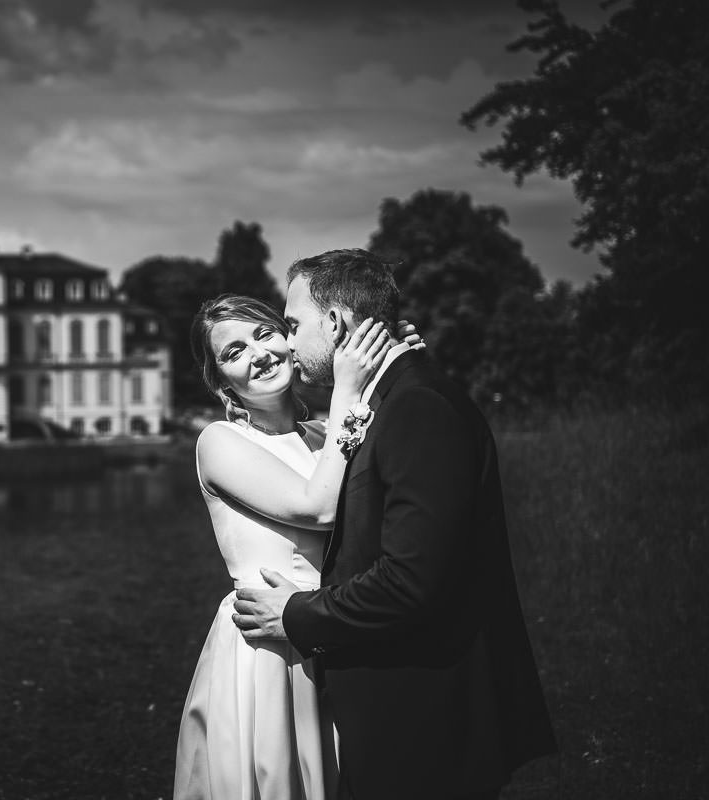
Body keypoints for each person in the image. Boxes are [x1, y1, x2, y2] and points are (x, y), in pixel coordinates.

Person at [232, 249, 557, 800]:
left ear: (335, 324)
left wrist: (297, 614)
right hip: (403, 709)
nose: (285, 343)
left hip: (427, 714)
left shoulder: (415, 407)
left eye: (292, 326)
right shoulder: (388, 401)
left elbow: (411, 580)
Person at [174, 293, 419, 800]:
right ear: (222, 382)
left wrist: (388, 370)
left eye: (265, 333)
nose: (258, 354)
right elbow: (319, 508)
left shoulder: (326, 433)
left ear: (289, 338)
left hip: (337, 628)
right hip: (269, 647)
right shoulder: (219, 442)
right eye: (234, 351)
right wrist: (349, 387)